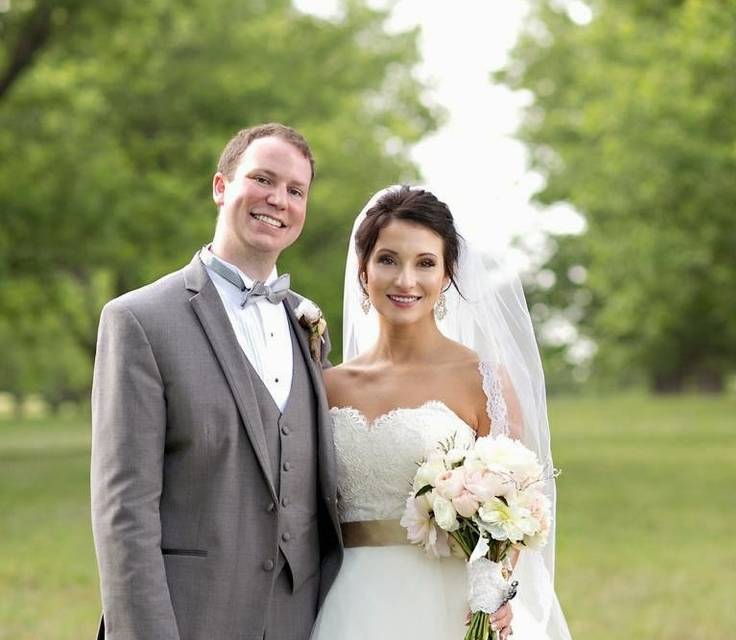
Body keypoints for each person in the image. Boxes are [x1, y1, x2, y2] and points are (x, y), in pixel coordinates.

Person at [90, 123, 342, 640]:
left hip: (301, 619)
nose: (278, 199)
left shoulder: (307, 323)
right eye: (263, 179)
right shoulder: (139, 319)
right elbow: (124, 510)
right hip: (192, 618)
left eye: (296, 191)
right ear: (221, 187)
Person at [310, 185, 572, 639]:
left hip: (452, 610)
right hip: (349, 606)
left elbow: (516, 506)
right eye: (388, 259)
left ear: (447, 274)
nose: (405, 281)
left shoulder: (482, 380)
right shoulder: (326, 386)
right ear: (363, 270)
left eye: (425, 263)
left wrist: (499, 590)